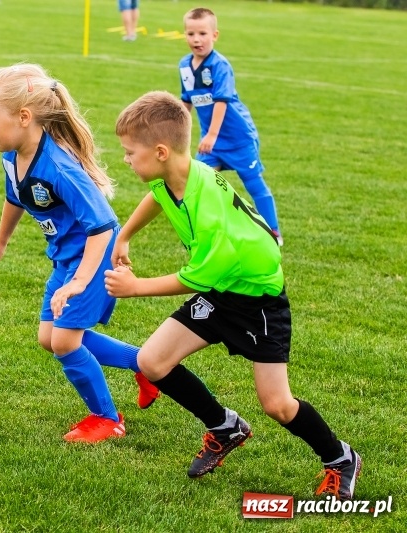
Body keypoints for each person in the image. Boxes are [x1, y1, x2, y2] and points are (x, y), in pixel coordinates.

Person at [105, 90, 361, 499]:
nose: (126, 159)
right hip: (222, 293)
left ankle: (340, 458)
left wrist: (135, 288)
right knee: (152, 361)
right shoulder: (177, 174)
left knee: (277, 404)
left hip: (257, 303)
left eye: (129, 152)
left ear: (159, 151)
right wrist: (125, 234)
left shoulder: (209, 211)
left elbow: (196, 278)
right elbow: (158, 198)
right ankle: (224, 426)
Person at [0, 63, 160, 443]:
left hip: (94, 256)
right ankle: (143, 364)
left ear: (24, 117)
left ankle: (107, 419)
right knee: (50, 338)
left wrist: (79, 281)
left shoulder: (59, 166)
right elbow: (16, 198)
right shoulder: (12, 156)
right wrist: (1, 241)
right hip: (67, 258)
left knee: (64, 342)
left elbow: (103, 226)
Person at [179, 8, 282, 245]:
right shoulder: (184, 65)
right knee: (196, 183)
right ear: (184, 35)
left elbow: (221, 102)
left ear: (215, 35)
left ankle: (274, 233)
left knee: (254, 184)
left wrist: (212, 134)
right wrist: (178, 134)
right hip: (211, 143)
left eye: (202, 33)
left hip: (238, 139)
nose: (196, 39)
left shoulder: (220, 65)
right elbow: (185, 102)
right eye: (191, 33)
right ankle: (204, 232)